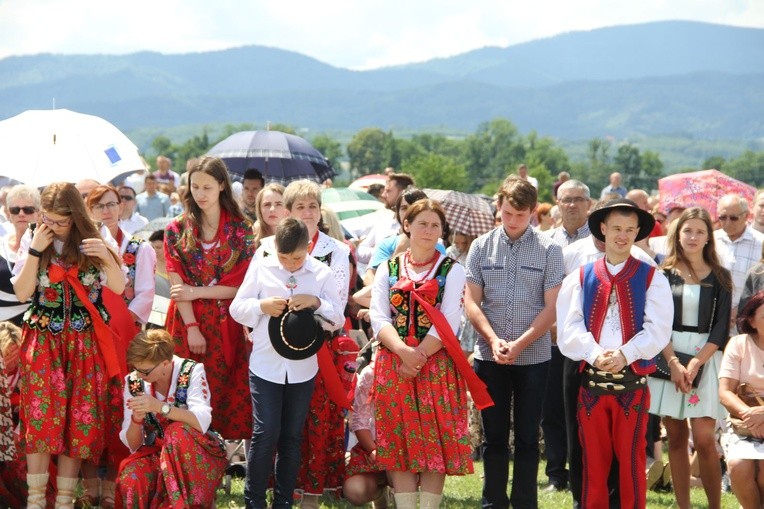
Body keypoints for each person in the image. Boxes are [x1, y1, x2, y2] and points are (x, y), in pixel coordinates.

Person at [11, 182, 126, 509]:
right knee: (40, 417)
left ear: (75, 216)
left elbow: (118, 286)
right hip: (43, 340)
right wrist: (34, 250)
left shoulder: (97, 236)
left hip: (83, 342)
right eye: (48, 219)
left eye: (61, 221)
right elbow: (22, 292)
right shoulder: (35, 234)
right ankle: (36, 501)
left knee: (78, 419)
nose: (54, 227)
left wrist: (106, 255)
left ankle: (63, 501)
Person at [371, 199, 490, 509]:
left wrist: (418, 355)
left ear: (442, 231)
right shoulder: (389, 267)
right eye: (422, 223)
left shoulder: (452, 270)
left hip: (435, 366)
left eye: (435, 225)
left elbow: (451, 318)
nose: (428, 230)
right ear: (407, 225)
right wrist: (401, 351)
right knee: (400, 442)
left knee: (433, 443)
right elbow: (378, 316)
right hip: (394, 364)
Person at [557, 198, 673, 509]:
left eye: (629, 230)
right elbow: (569, 328)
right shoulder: (581, 277)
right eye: (617, 228)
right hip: (591, 385)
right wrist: (595, 355)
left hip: (631, 386)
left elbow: (658, 329)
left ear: (637, 233)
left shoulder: (652, 277)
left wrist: (625, 355)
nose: (622, 236)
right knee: (592, 464)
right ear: (603, 229)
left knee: (632, 466)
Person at [230, 217, 344, 509]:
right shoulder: (263, 264)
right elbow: (236, 308)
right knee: (265, 432)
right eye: (284, 257)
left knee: (292, 436)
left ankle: (283, 502)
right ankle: (254, 501)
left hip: (303, 367)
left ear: (308, 247)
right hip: (265, 363)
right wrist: (261, 306)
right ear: (275, 248)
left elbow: (338, 320)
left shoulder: (321, 272)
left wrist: (316, 303)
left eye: (296, 258)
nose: (291, 264)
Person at [465, 175, 564, 509]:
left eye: (520, 215)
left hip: (534, 356)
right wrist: (493, 340)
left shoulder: (550, 249)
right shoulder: (480, 247)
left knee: (525, 436)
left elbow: (552, 307)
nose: (513, 221)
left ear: (534, 212)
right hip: (488, 355)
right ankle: (493, 502)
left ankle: (524, 503)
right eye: (507, 213)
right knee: (493, 437)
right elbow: (472, 303)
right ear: (499, 206)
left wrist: (519, 344)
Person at [257, 180, 350, 508]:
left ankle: (312, 494)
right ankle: (281, 491)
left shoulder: (336, 250)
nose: (308, 212)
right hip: (274, 347)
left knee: (316, 420)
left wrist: (313, 301)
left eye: (313, 206)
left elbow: (337, 303)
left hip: (319, 345)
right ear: (288, 212)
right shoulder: (269, 246)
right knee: (277, 423)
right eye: (300, 207)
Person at [164, 156, 255, 441]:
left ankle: (223, 462)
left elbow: (241, 285)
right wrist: (192, 326)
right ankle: (187, 457)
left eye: (207, 187)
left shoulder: (242, 229)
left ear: (221, 186)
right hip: (185, 319)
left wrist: (198, 291)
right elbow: (178, 286)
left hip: (228, 321)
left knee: (228, 392)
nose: (200, 194)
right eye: (195, 187)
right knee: (184, 387)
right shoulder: (176, 229)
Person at [648, 207, 732, 509]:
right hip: (669, 356)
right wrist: (674, 363)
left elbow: (721, 329)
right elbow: (656, 325)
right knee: (676, 437)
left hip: (706, 358)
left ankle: (714, 506)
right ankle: (683, 505)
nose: (693, 237)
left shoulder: (721, 277)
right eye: (687, 231)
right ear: (677, 234)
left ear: (709, 236)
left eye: (699, 231)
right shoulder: (662, 275)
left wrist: (696, 363)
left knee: (705, 438)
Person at [115, 329, 226, 507]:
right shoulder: (134, 382)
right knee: (132, 476)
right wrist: (136, 420)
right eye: (135, 369)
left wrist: (160, 407)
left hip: (196, 451)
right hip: (158, 453)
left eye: (145, 371)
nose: (140, 375)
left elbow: (201, 421)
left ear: (166, 363)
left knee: (176, 433)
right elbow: (133, 446)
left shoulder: (191, 371)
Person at [719, 291, 764, 508]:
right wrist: (750, 416)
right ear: (752, 320)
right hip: (744, 422)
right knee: (738, 467)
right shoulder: (738, 344)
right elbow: (725, 392)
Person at [343, 358, 389, 509]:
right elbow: (359, 419)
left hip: (408, 452)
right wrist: (373, 450)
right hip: (373, 449)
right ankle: (381, 490)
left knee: (402, 476)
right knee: (354, 490)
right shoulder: (370, 372)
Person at [715, 194, 764, 322]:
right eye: (722, 217)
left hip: (747, 322)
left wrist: (741, 309)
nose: (727, 222)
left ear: (746, 216)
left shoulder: (760, 242)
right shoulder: (711, 240)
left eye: (733, 218)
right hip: (712, 322)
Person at [356, 173, 415, 272]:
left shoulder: (421, 229)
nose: (383, 195)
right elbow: (361, 251)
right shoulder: (383, 221)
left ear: (402, 192)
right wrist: (381, 251)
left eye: (388, 191)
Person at [0, 186, 40, 325]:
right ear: (8, 214)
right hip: (3, 331)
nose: (21, 214)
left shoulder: (48, 247)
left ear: (38, 213)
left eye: (28, 209)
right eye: (15, 210)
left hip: (36, 327)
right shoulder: (1, 244)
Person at [253, 183, 288, 250]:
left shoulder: (297, 237)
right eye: (267, 204)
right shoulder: (250, 236)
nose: (272, 209)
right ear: (259, 209)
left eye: (278, 204)